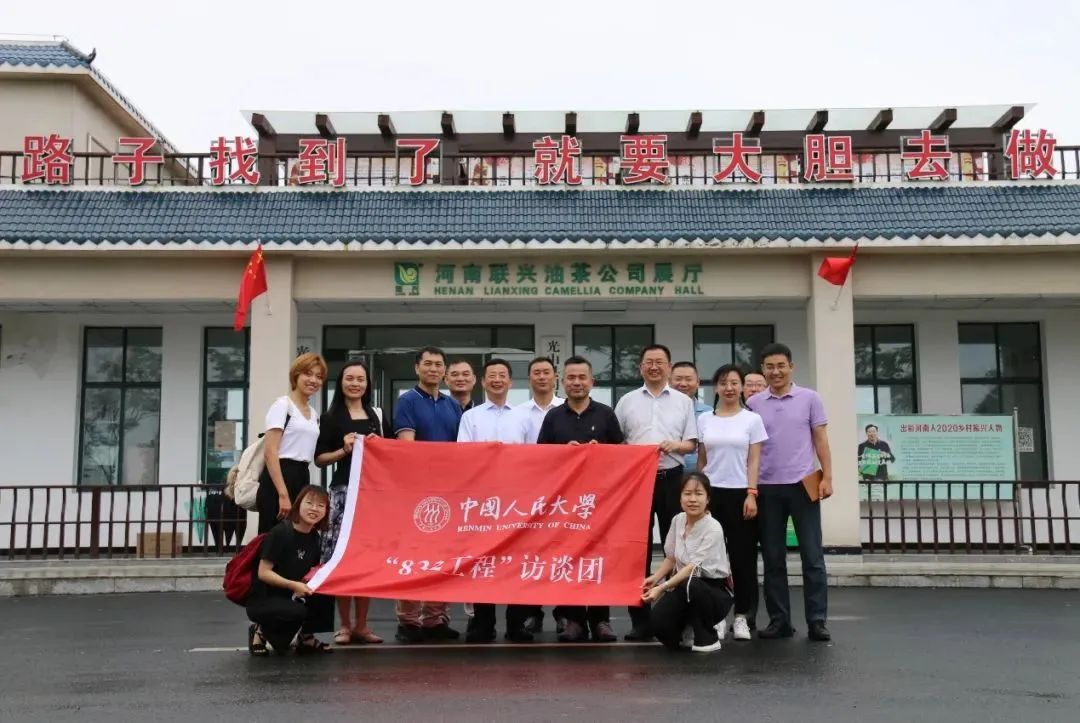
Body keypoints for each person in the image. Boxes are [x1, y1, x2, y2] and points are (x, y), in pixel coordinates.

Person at [746, 343, 833, 642]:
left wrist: (828, 476)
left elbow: (820, 439)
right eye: (769, 367)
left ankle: (817, 621)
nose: (776, 371)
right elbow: (751, 449)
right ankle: (779, 620)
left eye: (781, 365)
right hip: (767, 488)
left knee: (812, 556)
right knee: (773, 558)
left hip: (804, 485)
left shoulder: (810, 398)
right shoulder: (754, 403)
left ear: (791, 367)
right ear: (763, 370)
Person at [614, 344, 698, 642]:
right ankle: (641, 621)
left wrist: (675, 445)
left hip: (672, 479)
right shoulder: (626, 401)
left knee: (677, 548)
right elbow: (616, 443)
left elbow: (691, 443)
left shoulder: (683, 402)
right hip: (636, 482)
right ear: (640, 367)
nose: (654, 366)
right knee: (638, 550)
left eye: (659, 362)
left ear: (669, 367)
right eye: (648, 362)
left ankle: (676, 618)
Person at [537, 356, 623, 643]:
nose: (576, 382)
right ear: (563, 382)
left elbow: (623, 455)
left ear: (592, 382)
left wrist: (602, 452)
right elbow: (540, 457)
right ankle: (572, 620)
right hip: (565, 503)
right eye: (571, 378)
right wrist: (564, 452)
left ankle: (601, 620)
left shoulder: (606, 414)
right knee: (568, 559)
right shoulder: (553, 417)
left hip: (600, 501)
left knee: (598, 560)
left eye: (582, 377)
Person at [457, 359, 533, 643]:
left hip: (517, 499)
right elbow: (463, 456)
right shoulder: (471, 417)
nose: (497, 380)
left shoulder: (524, 416)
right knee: (482, 560)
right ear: (483, 382)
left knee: (516, 560)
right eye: (492, 376)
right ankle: (483, 623)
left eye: (503, 375)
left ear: (511, 382)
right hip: (482, 500)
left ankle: (516, 623)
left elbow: (536, 457)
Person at [393, 346, 463, 643]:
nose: (433, 369)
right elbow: (406, 447)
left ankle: (435, 619)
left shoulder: (453, 406)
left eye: (438, 365)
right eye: (428, 364)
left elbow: (462, 449)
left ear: (444, 371)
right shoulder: (407, 401)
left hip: (450, 492)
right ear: (417, 368)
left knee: (443, 556)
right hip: (416, 492)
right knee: (413, 556)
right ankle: (408, 621)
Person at [314, 361, 383, 645]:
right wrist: (344, 449)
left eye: (361, 379)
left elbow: (389, 451)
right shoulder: (330, 417)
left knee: (366, 559)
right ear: (341, 382)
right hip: (343, 493)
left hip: (371, 494)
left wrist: (378, 443)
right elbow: (319, 459)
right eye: (350, 378)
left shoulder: (374, 414)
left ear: (367, 384)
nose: (355, 384)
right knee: (341, 558)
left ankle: (362, 626)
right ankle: (343, 625)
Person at [697, 364, 768, 641]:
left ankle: (741, 617)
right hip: (712, 495)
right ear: (715, 387)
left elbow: (754, 460)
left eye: (734, 383)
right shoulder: (705, 420)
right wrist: (700, 496)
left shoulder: (752, 420)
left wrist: (752, 493)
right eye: (723, 383)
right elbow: (703, 460)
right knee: (711, 560)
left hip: (741, 494)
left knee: (742, 559)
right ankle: (716, 617)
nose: (729, 388)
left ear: (742, 387)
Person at [643, 473, 733, 654]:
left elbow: (692, 567)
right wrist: (655, 578)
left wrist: (662, 587)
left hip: (712, 590)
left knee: (691, 584)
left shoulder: (713, 528)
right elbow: (671, 557)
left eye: (698, 494)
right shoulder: (678, 520)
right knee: (658, 623)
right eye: (687, 493)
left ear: (708, 499)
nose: (693, 499)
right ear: (680, 497)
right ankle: (688, 627)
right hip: (684, 585)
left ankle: (708, 635)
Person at [508, 356, 564, 635]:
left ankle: (565, 613)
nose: (542, 377)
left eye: (546, 372)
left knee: (562, 552)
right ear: (529, 378)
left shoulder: (566, 409)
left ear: (555, 377)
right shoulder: (517, 413)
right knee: (528, 556)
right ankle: (532, 613)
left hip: (564, 493)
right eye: (536, 373)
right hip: (528, 494)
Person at [246, 485, 335, 656]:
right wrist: (293, 585)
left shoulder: (315, 538)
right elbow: (263, 573)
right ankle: (260, 632)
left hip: (293, 594)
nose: (314, 509)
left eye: (320, 505)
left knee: (325, 591)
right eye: (309, 503)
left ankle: (306, 638)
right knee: (294, 616)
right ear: (298, 504)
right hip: (265, 597)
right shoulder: (280, 532)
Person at [256, 353, 326, 534]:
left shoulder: (314, 414)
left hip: (302, 475)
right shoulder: (282, 405)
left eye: (319, 376)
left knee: (297, 536)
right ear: (296, 375)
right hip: (278, 477)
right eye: (308, 374)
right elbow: (270, 452)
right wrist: (282, 493)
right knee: (273, 537)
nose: (313, 380)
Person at [671, 361, 713, 471]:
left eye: (688, 379)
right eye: (678, 379)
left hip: (700, 475)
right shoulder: (661, 411)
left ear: (698, 382)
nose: (683, 384)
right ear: (669, 381)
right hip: (668, 474)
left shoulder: (709, 413)